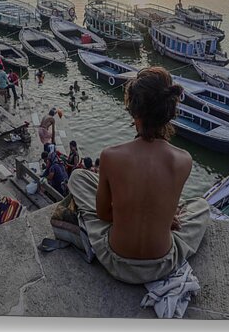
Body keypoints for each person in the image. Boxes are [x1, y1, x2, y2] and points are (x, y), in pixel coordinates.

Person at [66, 66, 210, 285]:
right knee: (201, 206)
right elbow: (169, 216)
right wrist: (161, 217)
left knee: (78, 177)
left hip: (116, 261)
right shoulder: (184, 160)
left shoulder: (111, 156)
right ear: (169, 110)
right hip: (162, 263)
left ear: (134, 110)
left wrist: (126, 213)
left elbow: (104, 216)